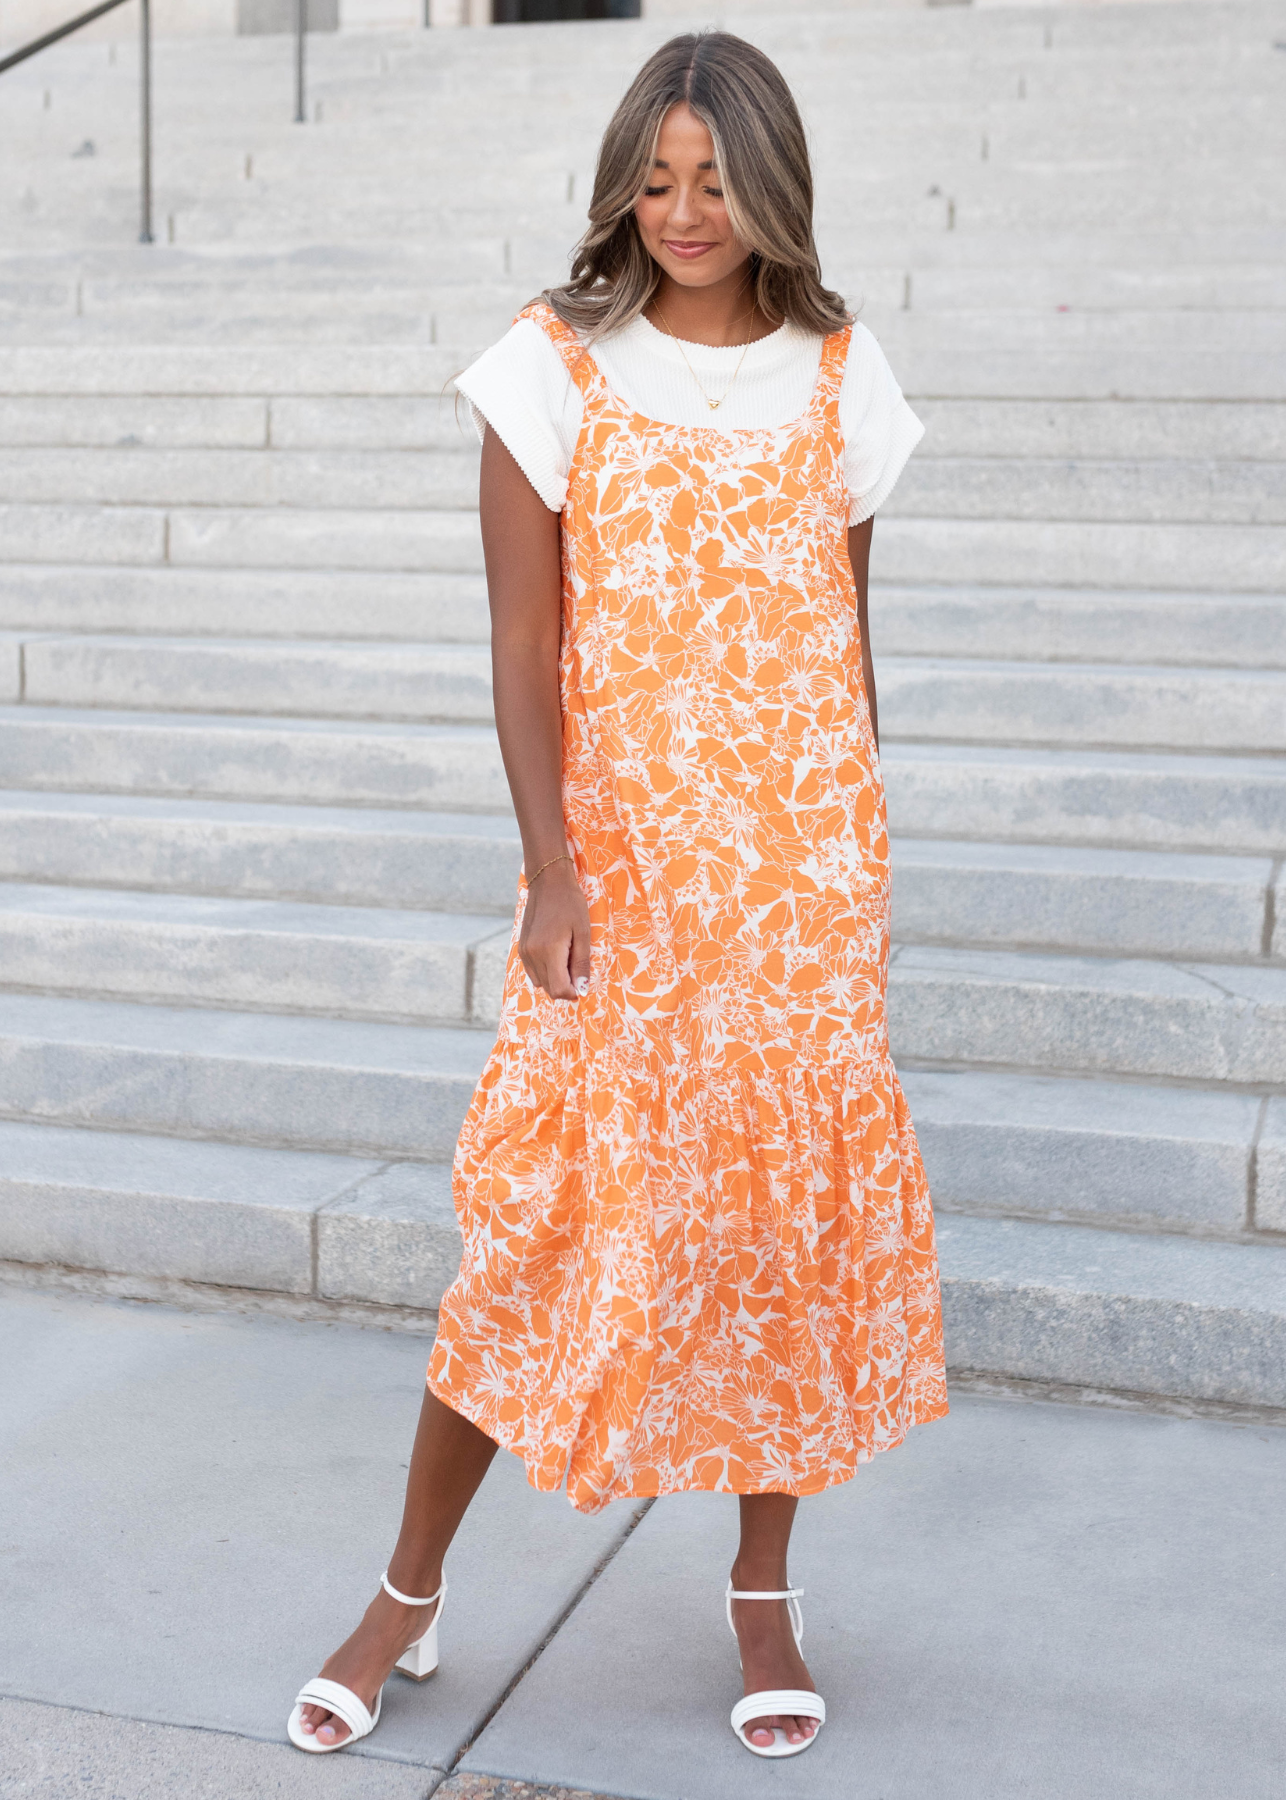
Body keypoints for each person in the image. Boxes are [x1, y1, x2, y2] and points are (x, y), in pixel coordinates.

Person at [288, 28, 946, 1764]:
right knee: (532, 1238)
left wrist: (854, 861)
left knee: (775, 1239)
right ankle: (406, 1594)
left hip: (796, 889)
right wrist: (554, 873)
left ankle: (759, 1589)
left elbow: (838, 641)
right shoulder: (549, 368)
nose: (679, 212)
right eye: (653, 181)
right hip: (623, 889)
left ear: (770, 188)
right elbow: (523, 649)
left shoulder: (838, 375)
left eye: (713, 183)